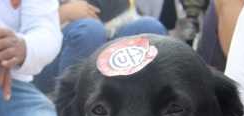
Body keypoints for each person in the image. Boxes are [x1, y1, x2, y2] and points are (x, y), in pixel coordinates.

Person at [33, 0, 168, 95]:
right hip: (43, 58)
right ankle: (73, 107)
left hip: (107, 32)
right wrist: (61, 13)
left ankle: (148, 102)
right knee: (89, 29)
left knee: (150, 27)